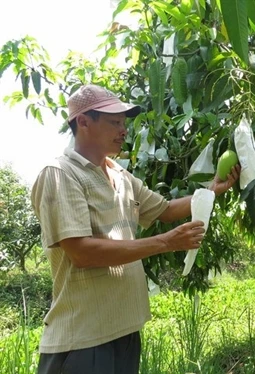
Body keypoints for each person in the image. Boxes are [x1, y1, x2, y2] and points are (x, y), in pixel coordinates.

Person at [31, 84, 240, 374]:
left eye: (124, 123)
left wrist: (212, 190)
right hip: (83, 339)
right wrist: (165, 243)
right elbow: (81, 252)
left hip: (124, 331)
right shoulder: (61, 174)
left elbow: (164, 211)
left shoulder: (119, 175)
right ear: (83, 122)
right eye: (114, 122)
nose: (123, 130)